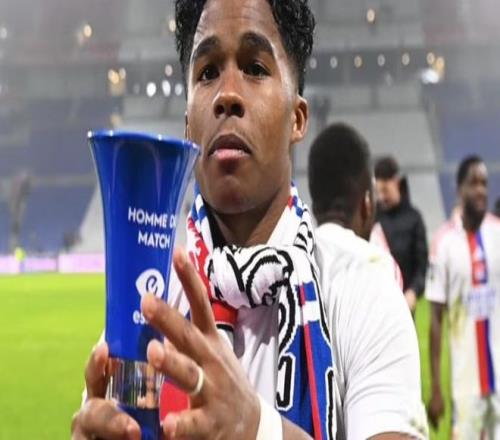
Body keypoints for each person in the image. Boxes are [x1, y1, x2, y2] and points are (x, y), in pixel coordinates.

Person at [71, 1, 426, 439]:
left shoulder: (361, 288)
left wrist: (257, 429)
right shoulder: (148, 311)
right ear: (188, 125)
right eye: (207, 72)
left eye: (255, 68)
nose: (227, 95)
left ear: (297, 118)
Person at [427, 155, 500, 438]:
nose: (480, 190)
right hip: (466, 384)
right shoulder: (443, 242)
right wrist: (436, 387)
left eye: (484, 183)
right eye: (474, 183)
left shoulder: (497, 232)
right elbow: (435, 318)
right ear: (459, 189)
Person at [373, 156, 428, 314]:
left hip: (405, 306)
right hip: (376, 307)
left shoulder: (414, 219)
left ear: (396, 182)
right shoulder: (372, 218)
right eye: (379, 191)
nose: (382, 197)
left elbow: (422, 266)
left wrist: (413, 291)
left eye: (385, 190)